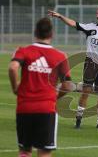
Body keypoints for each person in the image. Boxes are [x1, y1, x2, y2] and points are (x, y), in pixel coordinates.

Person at [48, 6, 98, 129]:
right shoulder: (91, 27)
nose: (97, 16)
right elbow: (74, 24)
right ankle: (79, 119)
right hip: (91, 62)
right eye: (97, 14)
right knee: (86, 91)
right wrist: (60, 16)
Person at [9, 17, 71, 157]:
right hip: (46, 108)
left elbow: (13, 68)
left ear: (35, 32)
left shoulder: (23, 51)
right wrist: (55, 97)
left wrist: (15, 88)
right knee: (44, 152)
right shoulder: (61, 56)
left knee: (25, 151)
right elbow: (67, 85)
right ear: (52, 34)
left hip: (24, 107)